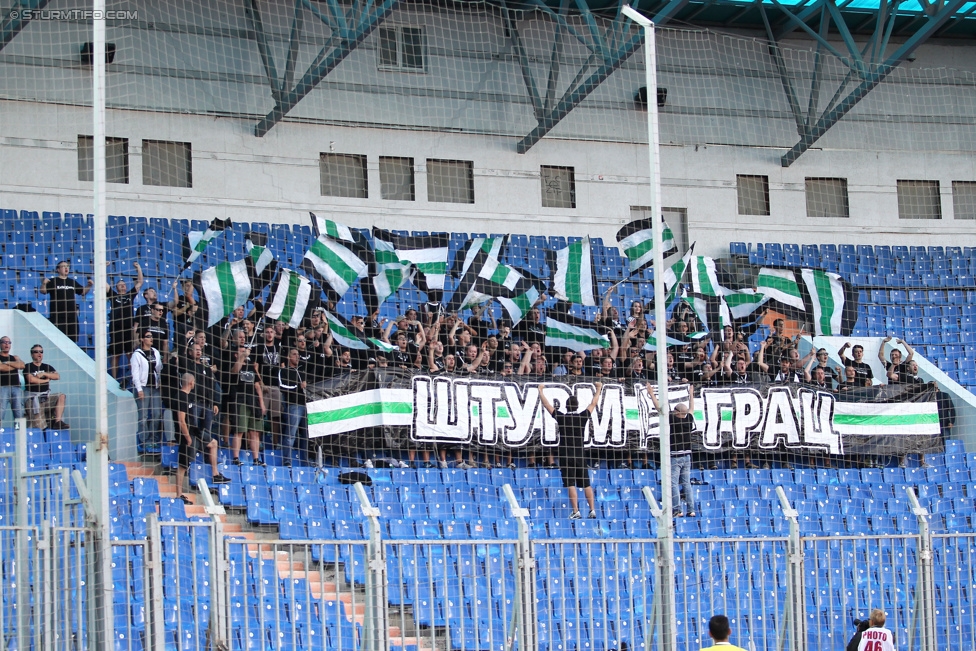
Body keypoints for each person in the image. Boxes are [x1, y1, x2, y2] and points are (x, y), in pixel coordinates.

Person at [538, 381, 603, 519]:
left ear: (566, 406)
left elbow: (547, 405)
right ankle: (592, 510)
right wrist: (598, 389)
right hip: (580, 455)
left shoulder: (561, 417)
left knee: (570, 483)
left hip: (566, 455)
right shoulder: (582, 417)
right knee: (586, 484)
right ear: (577, 406)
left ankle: (576, 511)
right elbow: (593, 403)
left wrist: (541, 391)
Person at [173, 373, 231, 504]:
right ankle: (178, 495)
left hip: (196, 432)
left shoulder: (189, 397)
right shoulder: (181, 396)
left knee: (213, 443)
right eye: (193, 382)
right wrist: (187, 438)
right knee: (183, 465)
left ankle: (215, 474)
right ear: (190, 383)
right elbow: (181, 420)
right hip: (186, 435)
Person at [649, 385, 697, 517]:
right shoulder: (689, 419)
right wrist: (691, 394)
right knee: (686, 483)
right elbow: (692, 408)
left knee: (674, 483)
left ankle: (677, 509)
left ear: (676, 412)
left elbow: (659, 408)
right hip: (687, 456)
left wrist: (652, 394)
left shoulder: (672, 419)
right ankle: (691, 509)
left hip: (675, 456)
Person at [107, 261, 144, 378]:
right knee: (115, 355)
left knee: (130, 354)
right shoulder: (113, 295)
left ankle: (134, 379)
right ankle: (113, 379)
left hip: (128, 328)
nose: (122, 285)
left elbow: (140, 282)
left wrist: (138, 268)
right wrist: (103, 267)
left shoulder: (130, 295)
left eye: (124, 284)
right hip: (116, 329)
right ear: (116, 287)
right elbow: (104, 284)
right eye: (120, 284)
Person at [40, 260, 93, 342]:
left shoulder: (72, 282)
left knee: (72, 341)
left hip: (71, 316)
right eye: (63, 266)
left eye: (67, 266)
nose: (66, 268)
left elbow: (82, 292)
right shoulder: (53, 281)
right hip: (57, 316)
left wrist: (89, 286)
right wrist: (44, 284)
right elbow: (43, 291)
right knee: (58, 340)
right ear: (58, 269)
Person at [131, 331, 164, 454]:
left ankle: (153, 438)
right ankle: (144, 440)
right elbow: (135, 373)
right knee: (143, 416)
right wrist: (139, 389)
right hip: (143, 387)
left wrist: (159, 381)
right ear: (142, 339)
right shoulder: (137, 355)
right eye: (148, 337)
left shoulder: (155, 352)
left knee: (156, 414)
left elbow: (159, 368)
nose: (151, 339)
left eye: (151, 336)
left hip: (155, 388)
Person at [24, 344, 68, 429]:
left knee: (61, 396)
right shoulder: (28, 366)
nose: (39, 353)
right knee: (41, 427)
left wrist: (44, 374)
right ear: (31, 354)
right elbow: (31, 380)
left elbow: (57, 376)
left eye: (41, 352)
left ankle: (58, 422)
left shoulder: (46, 366)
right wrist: (46, 380)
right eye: (36, 352)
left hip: (46, 398)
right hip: (33, 400)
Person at [278, 348, 307, 468]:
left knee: (307, 435)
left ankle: (306, 462)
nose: (297, 356)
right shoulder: (283, 371)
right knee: (291, 435)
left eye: (298, 354)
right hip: (293, 406)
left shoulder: (303, 370)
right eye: (294, 354)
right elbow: (282, 387)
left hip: (307, 406)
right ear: (288, 357)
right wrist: (298, 387)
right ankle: (287, 462)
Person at [0, 336, 25, 425]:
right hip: (2, 387)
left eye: (9, 342)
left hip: (16, 388)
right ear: (0, 344)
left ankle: (19, 433)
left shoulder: (15, 357)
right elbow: (2, 368)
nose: (7, 344)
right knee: (1, 412)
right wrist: (15, 365)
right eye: (4, 342)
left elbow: (22, 365)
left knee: (18, 413)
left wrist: (7, 363)